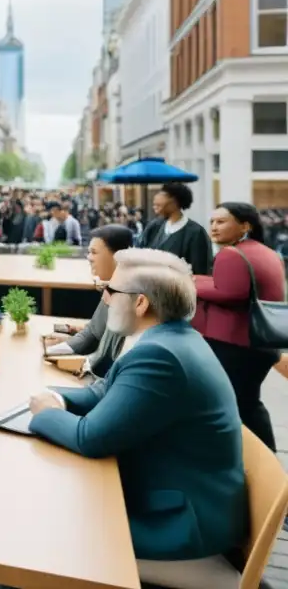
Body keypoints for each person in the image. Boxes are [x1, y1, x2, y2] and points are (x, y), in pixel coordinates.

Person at [28, 248, 246, 588]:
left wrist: (45, 415)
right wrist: (55, 397)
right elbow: (103, 393)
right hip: (183, 500)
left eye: (111, 290)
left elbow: (91, 439)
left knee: (34, 535)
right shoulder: (171, 339)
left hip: (181, 527)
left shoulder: (160, 355)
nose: (104, 296)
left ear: (141, 303)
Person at [194, 202, 286, 451]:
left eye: (221, 222)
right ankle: (265, 458)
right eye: (212, 221)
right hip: (261, 343)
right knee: (248, 402)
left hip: (233, 344)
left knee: (234, 404)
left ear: (244, 226)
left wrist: (188, 283)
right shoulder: (267, 252)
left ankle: (255, 461)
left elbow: (229, 292)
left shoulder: (231, 254)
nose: (214, 227)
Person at [43, 224, 135, 378]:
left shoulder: (128, 296)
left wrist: (52, 353)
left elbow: (103, 355)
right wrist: (53, 350)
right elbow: (91, 333)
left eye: (94, 252)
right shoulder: (112, 286)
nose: (89, 258)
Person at [139, 182, 212, 276]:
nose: (155, 207)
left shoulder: (196, 232)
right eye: (154, 205)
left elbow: (199, 270)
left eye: (158, 205)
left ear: (174, 201)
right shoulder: (154, 226)